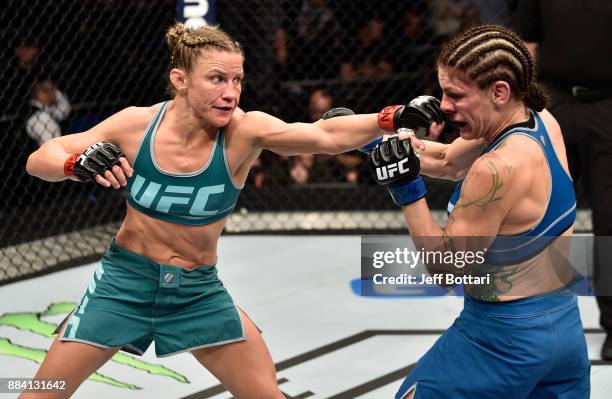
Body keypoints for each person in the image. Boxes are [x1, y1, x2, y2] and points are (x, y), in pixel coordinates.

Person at [23, 22, 420, 398]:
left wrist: (393, 116)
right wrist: (74, 165)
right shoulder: (136, 125)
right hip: (123, 285)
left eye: (237, 80)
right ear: (180, 80)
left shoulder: (243, 132)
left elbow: (325, 134)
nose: (231, 92)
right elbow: (41, 157)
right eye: (217, 79)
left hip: (197, 292)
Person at [366, 25, 589, 398]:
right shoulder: (540, 120)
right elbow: (449, 161)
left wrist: (406, 190)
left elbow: (446, 270)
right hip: (563, 330)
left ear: (499, 91)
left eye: (455, 94)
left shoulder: (495, 169)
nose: (445, 105)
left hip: (500, 340)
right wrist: (372, 142)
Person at [514, 0, 612, 361]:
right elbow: (526, 43)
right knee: (538, 217)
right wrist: (527, 102)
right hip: (555, 103)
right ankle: (531, 322)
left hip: (609, 107)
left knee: (610, 224)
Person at [26, 79, 72, 146]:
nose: (50, 94)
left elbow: (65, 110)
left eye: (52, 90)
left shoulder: (45, 110)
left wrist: (57, 93)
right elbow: (52, 147)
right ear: (35, 94)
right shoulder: (41, 117)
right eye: (45, 91)